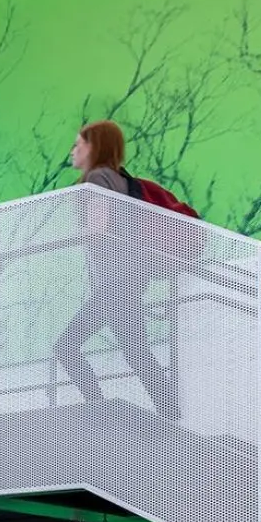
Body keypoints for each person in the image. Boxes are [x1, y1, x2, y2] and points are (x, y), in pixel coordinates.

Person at [52, 119, 179, 421]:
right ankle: (170, 413)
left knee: (66, 346)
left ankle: (99, 409)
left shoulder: (97, 178)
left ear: (93, 147)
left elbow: (97, 227)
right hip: (131, 279)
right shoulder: (122, 180)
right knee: (137, 351)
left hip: (116, 281)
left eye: (77, 144)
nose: (72, 151)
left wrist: (56, 241)